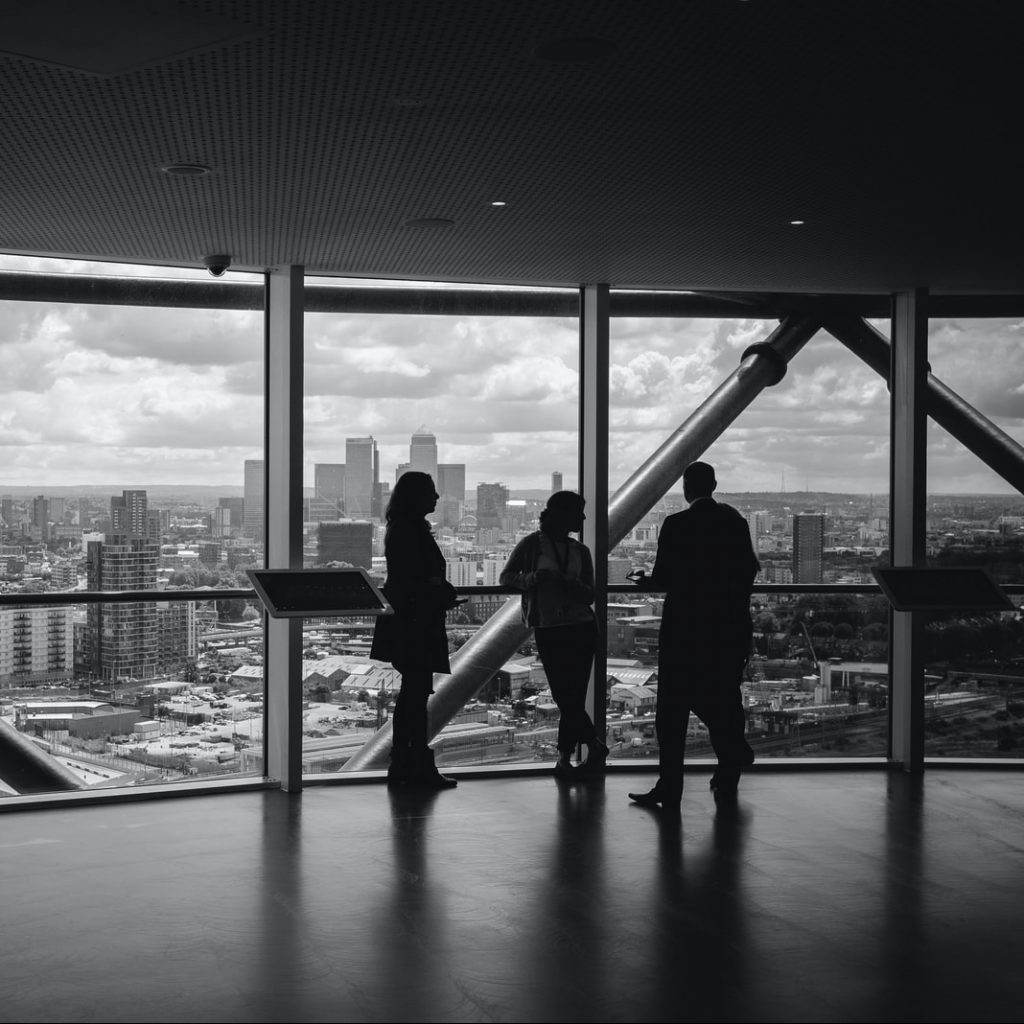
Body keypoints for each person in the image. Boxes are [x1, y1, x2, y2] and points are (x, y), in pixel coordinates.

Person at [629, 461, 759, 811]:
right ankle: (729, 765)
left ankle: (670, 787)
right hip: (726, 627)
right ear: (714, 485)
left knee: (672, 711)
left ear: (687, 488)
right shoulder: (736, 524)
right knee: (724, 697)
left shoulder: (677, 524)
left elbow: (665, 578)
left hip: (684, 628)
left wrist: (644, 581)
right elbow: (748, 571)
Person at [501, 491, 607, 777]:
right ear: (563, 514)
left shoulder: (580, 550)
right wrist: (535, 578)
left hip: (579, 627)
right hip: (554, 627)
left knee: (570, 695)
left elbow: (589, 594)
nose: (583, 518)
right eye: (578, 512)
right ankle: (592, 745)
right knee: (566, 696)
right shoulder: (531, 546)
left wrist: (568, 585)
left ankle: (564, 758)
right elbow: (507, 577)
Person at [370, 471, 460, 789]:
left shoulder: (400, 529)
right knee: (415, 695)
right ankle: (415, 764)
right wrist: (438, 591)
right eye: (431, 492)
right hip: (416, 622)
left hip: (407, 620)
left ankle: (405, 763)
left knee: (412, 695)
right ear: (416, 497)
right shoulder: (412, 531)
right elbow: (417, 579)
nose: (436, 498)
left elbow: (408, 578)